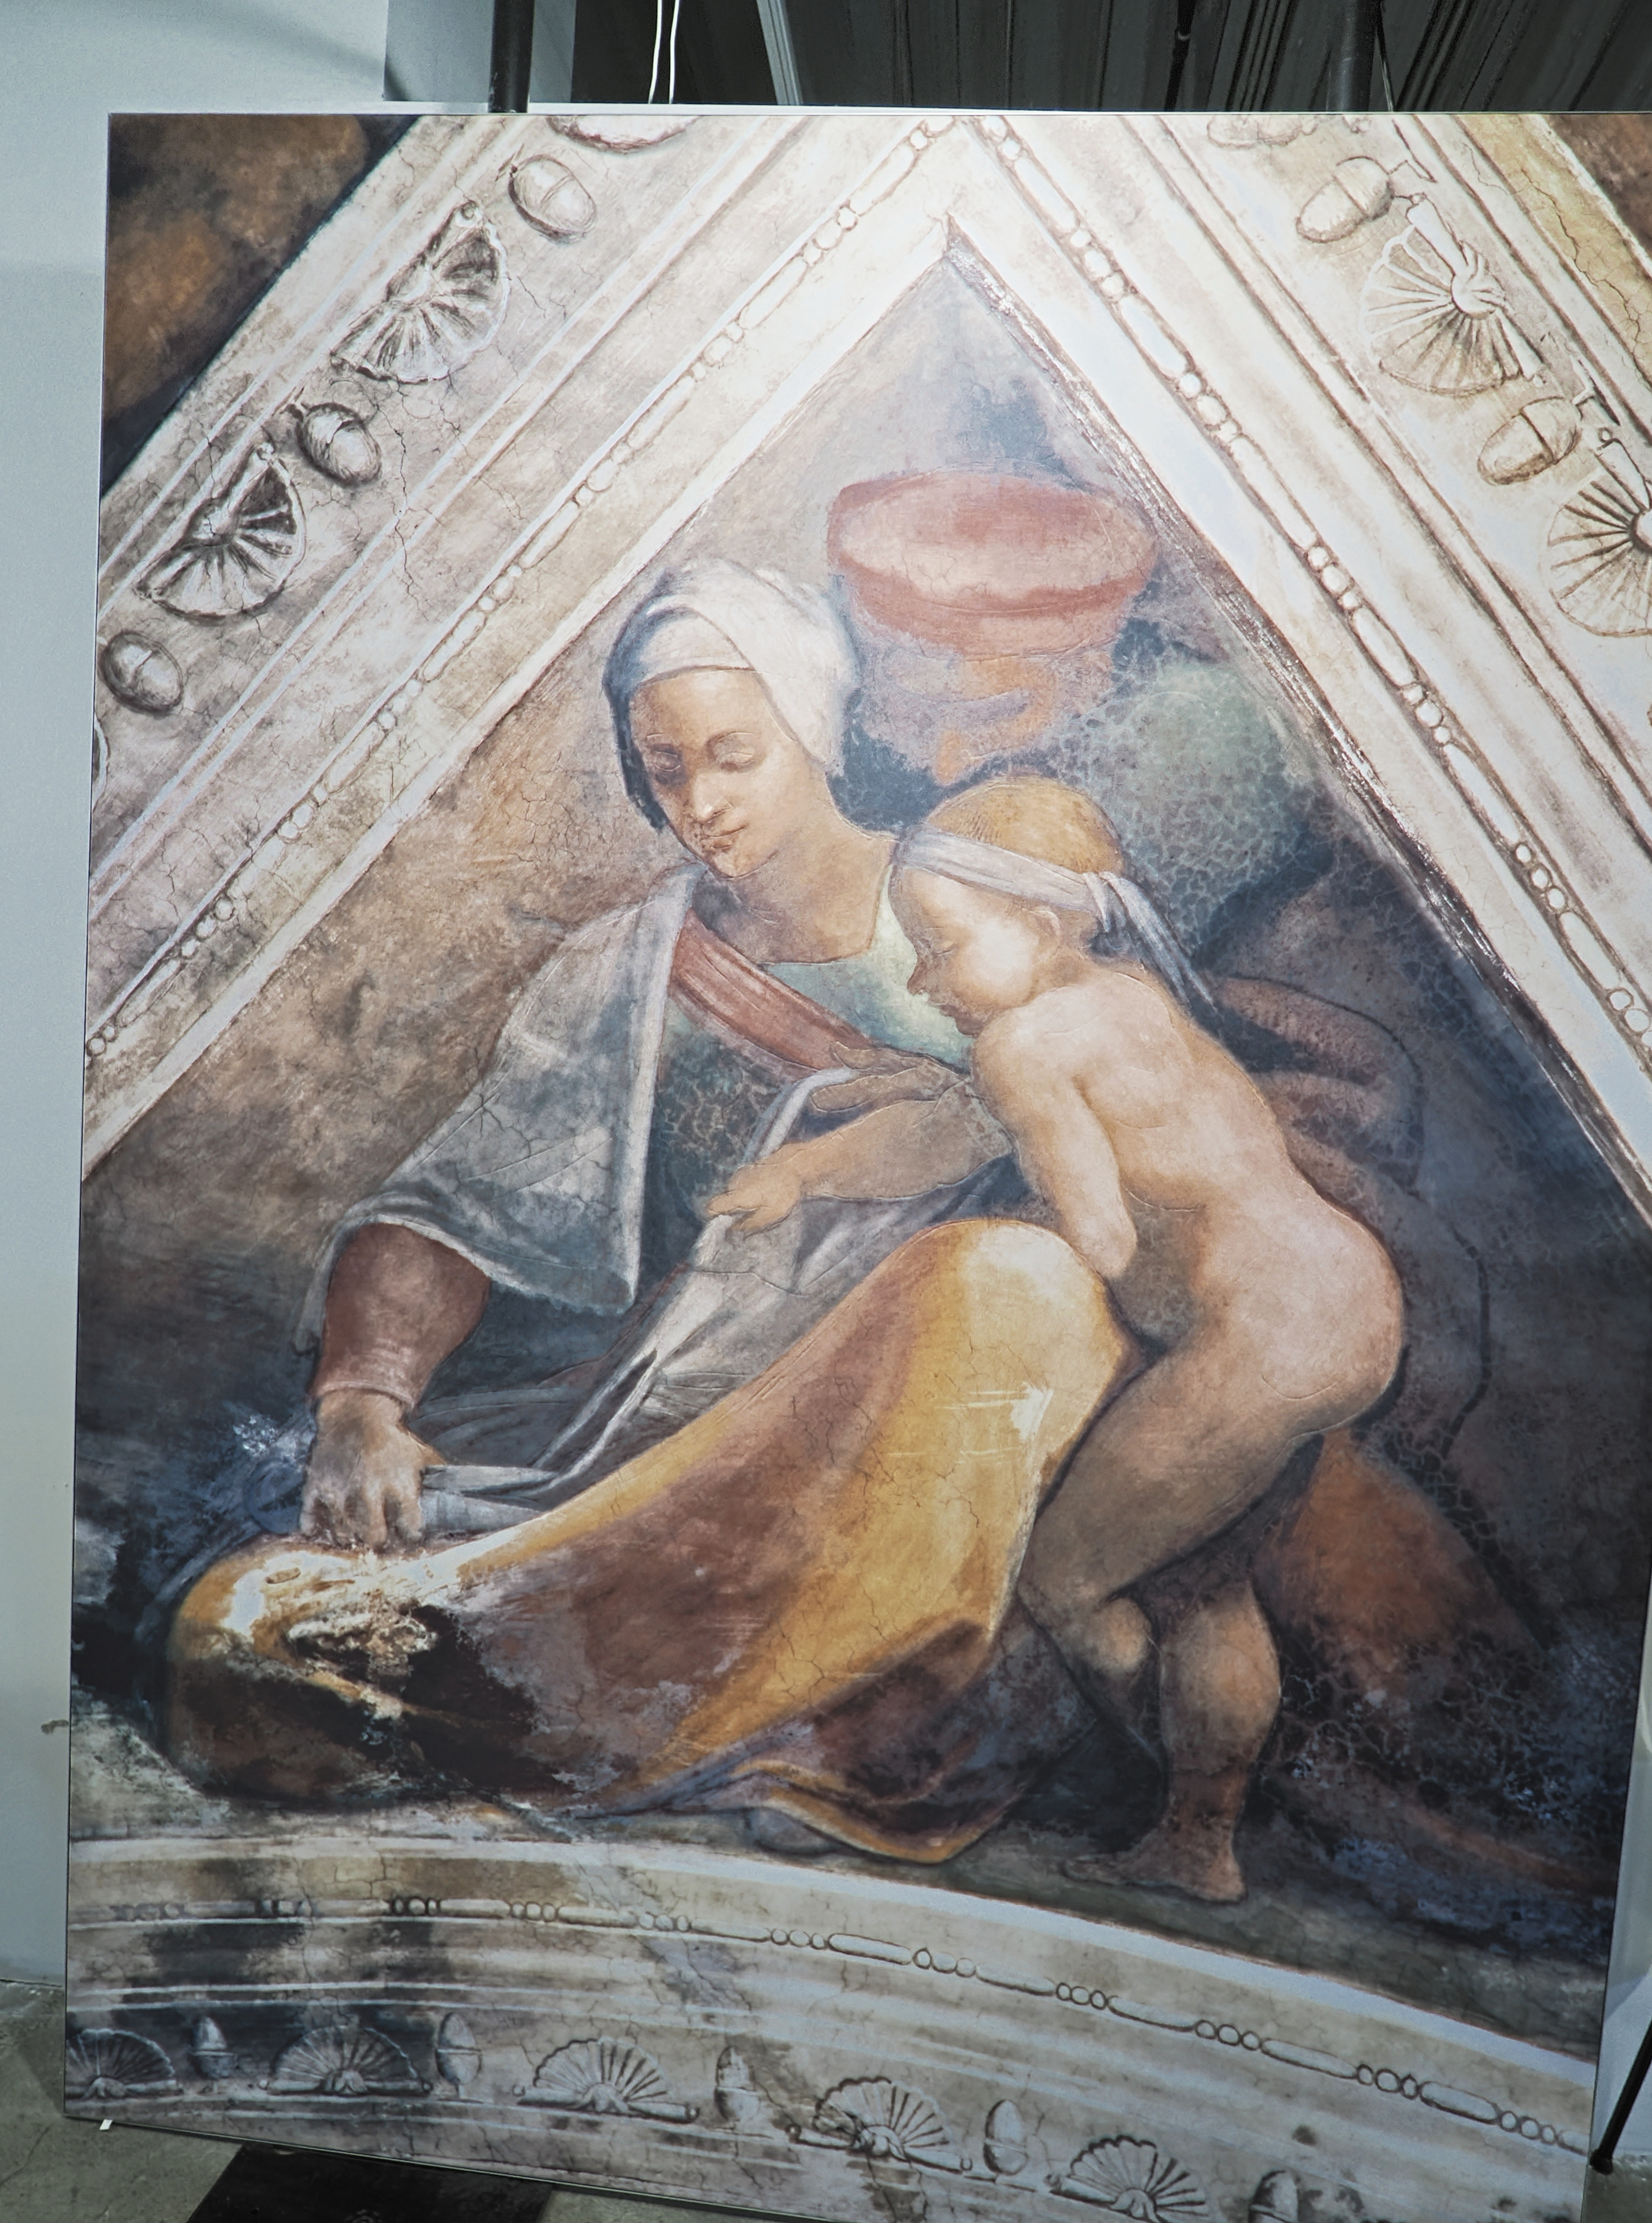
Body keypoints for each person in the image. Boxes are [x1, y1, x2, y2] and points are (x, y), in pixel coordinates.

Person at [164, 561, 1136, 1857]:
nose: (702, 805)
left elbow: (1154, 1121)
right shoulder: (629, 969)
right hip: (691, 1449)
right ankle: (715, 1688)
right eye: (666, 770)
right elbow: (462, 1200)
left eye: (735, 756)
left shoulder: (979, 897)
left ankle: (861, 1687)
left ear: (815, 727)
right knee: (236, 1639)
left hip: (966, 1446)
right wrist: (363, 1407)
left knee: (1005, 1282)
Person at [720, 775, 1403, 1904]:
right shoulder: (1128, 996)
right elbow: (958, 1136)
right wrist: (806, 1172)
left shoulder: (1024, 1048)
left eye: (941, 948)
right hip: (1349, 1301)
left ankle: (1169, 1794)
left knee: (1069, 1578)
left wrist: (985, 1260)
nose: (924, 981)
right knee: (1202, 1585)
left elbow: (1097, 1232)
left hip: (1265, 1340)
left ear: (1043, 925)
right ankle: (1201, 1844)